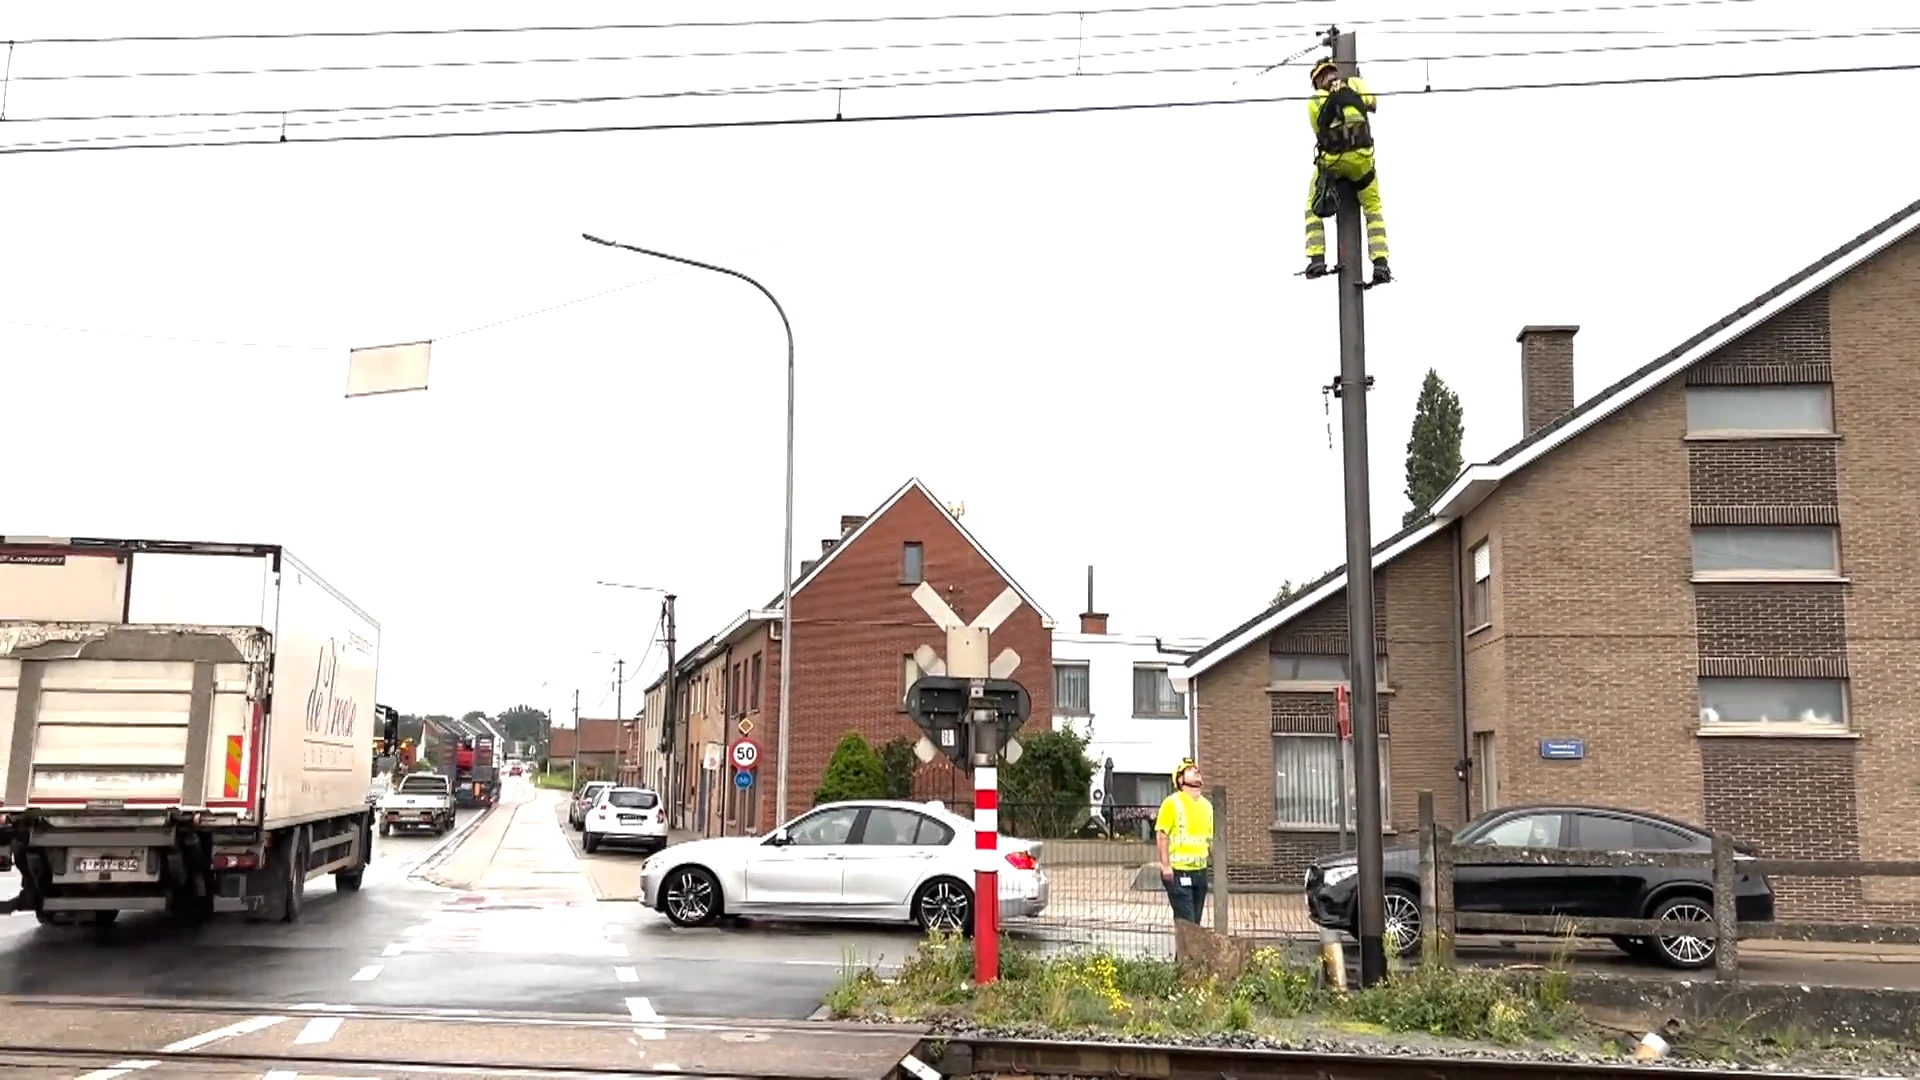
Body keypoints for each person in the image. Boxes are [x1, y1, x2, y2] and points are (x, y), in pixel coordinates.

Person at [1302, 57, 1391, 287]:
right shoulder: (1356, 84)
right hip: (1362, 161)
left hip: (1334, 163)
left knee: (1312, 206)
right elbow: (1373, 105)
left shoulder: (1314, 100)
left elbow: (1318, 131)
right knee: (1373, 209)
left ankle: (1317, 259)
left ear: (1318, 79)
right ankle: (1381, 263)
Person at [1154, 759, 1215, 924]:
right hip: (1178, 872)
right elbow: (1162, 835)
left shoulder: (1207, 806)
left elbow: (1209, 839)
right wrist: (1166, 866)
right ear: (1180, 780)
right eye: (1190, 769)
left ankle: (1185, 951)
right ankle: (1187, 950)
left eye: (1197, 769)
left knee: (1194, 923)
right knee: (1187, 923)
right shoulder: (1172, 803)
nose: (1196, 770)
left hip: (1200, 872)